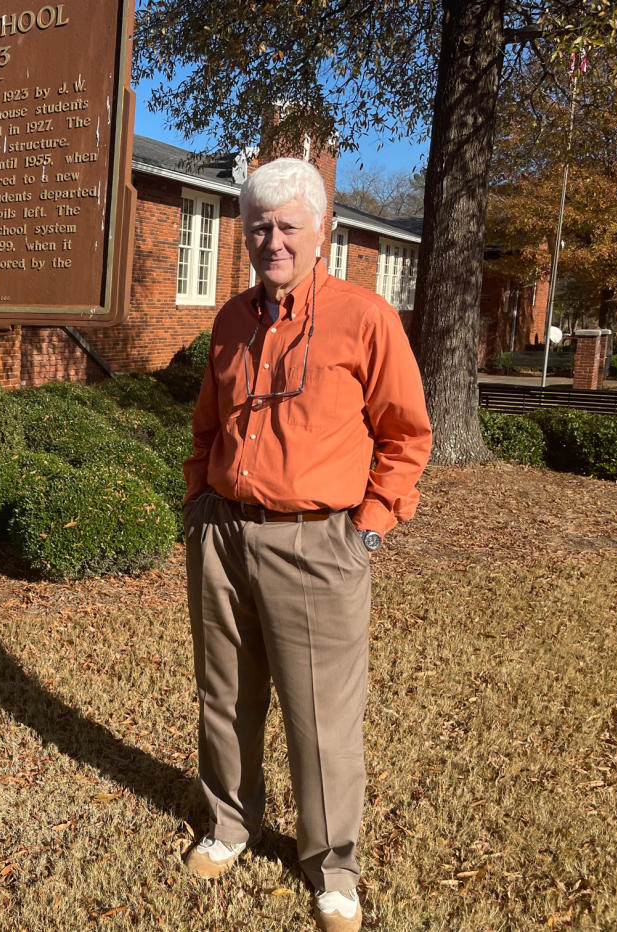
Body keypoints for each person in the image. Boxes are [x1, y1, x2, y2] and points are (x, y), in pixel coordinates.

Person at [180, 158, 431, 932]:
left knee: (321, 718)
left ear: (322, 230)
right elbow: (206, 425)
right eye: (258, 225)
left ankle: (333, 868)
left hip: (318, 543)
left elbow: (407, 437)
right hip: (223, 534)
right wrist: (196, 504)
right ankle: (229, 824)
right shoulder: (229, 320)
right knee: (224, 697)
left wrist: (368, 530)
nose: (272, 239)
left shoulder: (365, 319)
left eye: (288, 224)